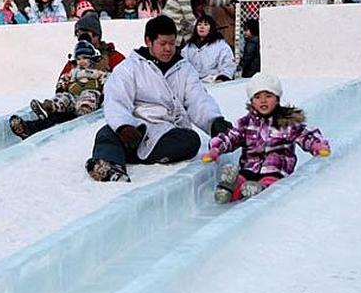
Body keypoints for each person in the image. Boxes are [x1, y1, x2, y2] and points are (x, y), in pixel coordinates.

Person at [86, 15, 232, 182]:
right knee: (106, 132)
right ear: (149, 41)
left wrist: (214, 121)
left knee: (191, 141)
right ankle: (109, 164)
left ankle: (128, 155)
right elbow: (116, 99)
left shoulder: (184, 69)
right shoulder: (130, 68)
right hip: (136, 130)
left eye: (172, 43)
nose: (168, 49)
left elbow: (198, 99)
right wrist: (123, 126)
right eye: (163, 44)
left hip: (167, 132)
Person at [202, 73, 330, 203]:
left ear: (277, 99)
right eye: (257, 97)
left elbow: (305, 134)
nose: (263, 101)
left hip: (276, 170)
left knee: (271, 183)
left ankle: (260, 189)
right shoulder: (246, 123)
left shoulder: (287, 123)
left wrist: (316, 145)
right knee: (242, 178)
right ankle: (229, 189)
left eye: (268, 96)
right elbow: (231, 137)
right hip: (249, 168)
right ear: (251, 101)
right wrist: (216, 148)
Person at [29, 37, 110, 122]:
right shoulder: (74, 71)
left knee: (89, 94)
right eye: (78, 59)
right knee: (64, 97)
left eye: (85, 58)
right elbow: (66, 77)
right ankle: (50, 107)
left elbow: (107, 78)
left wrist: (106, 84)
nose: (81, 61)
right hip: (73, 96)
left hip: (89, 93)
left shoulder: (96, 72)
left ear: (92, 58)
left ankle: (84, 109)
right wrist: (61, 85)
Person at [181, 15, 235, 82]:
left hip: (214, 82)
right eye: (199, 24)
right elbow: (183, 64)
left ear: (211, 28)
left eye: (206, 25)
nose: (202, 27)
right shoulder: (189, 47)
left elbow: (228, 65)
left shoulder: (221, 45)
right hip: (193, 82)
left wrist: (222, 78)